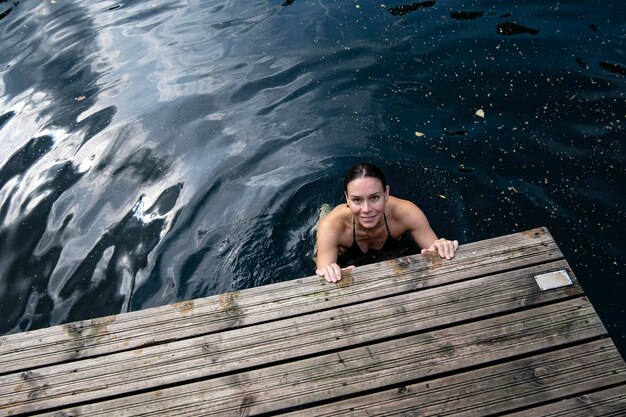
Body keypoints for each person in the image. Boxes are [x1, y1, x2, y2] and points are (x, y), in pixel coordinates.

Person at [315, 163, 459, 283]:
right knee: (318, 247)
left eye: (374, 198)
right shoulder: (332, 226)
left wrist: (440, 246)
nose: (366, 209)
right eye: (357, 200)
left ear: (386, 194)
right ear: (347, 198)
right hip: (344, 245)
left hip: (389, 246)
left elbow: (433, 247)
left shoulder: (406, 213)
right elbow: (322, 272)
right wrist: (329, 271)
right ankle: (324, 211)